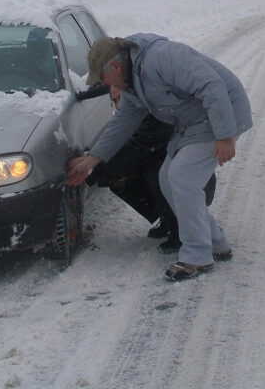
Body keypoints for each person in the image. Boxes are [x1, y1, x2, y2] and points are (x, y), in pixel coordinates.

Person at [66, 34, 252, 281]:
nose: (102, 84)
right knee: (168, 179)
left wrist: (225, 135)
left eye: (102, 77)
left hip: (221, 113)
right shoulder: (133, 82)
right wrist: (94, 159)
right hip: (194, 122)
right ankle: (215, 242)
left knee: (183, 177)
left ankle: (197, 256)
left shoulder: (161, 58)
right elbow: (124, 120)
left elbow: (210, 84)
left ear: (115, 66)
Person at [79, 83, 216, 252]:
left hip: (193, 182)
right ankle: (167, 219)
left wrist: (91, 170)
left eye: (120, 98)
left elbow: (137, 147)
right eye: (113, 100)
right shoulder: (138, 106)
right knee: (122, 175)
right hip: (167, 165)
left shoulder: (155, 115)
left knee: (155, 172)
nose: (118, 105)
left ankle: (181, 230)